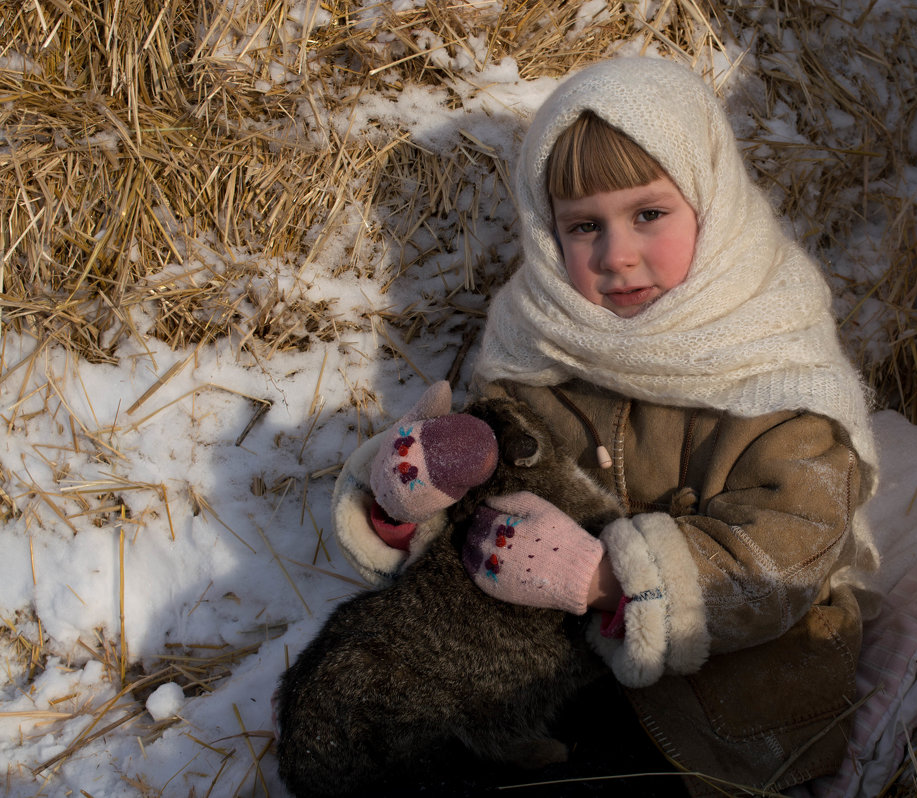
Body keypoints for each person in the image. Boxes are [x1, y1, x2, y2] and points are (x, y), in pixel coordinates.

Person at [335, 56, 878, 796]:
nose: (616, 256)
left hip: (727, 703)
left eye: (648, 214)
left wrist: (605, 576)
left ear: (710, 202)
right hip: (559, 674)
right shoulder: (539, 335)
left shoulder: (773, 356)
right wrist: (415, 504)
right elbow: (503, 486)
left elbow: (789, 554)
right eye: (584, 225)